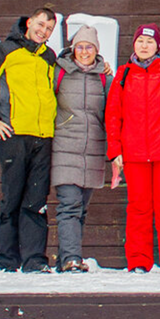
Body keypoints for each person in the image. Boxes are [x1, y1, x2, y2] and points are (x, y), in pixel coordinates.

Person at [0, 7, 58, 272]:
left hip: (43, 138)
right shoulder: (4, 51)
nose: (43, 31)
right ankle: (6, 260)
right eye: (41, 25)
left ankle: (34, 260)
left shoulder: (49, 57)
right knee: (12, 198)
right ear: (29, 22)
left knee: (37, 201)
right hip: (14, 136)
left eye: (49, 29)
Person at [106, 23, 160, 273]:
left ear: (158, 46)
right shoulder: (123, 75)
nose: (144, 46)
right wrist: (116, 151)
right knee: (138, 208)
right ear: (134, 44)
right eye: (140, 41)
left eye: (149, 42)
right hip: (133, 154)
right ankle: (138, 261)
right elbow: (113, 115)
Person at [51, 25, 111, 273]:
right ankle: (71, 259)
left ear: (96, 50)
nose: (84, 51)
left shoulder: (105, 77)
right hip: (64, 146)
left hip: (94, 149)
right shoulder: (59, 72)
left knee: (81, 209)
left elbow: (111, 113)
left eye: (89, 47)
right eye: (80, 47)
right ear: (72, 49)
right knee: (69, 205)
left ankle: (66, 257)